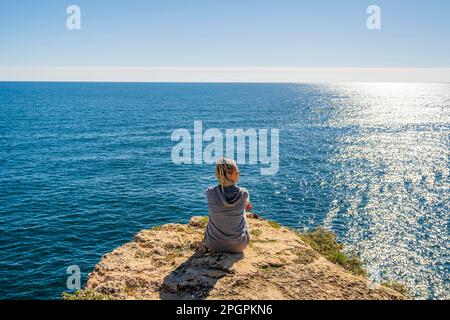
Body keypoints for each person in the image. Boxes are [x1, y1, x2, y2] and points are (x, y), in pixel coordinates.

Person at [204, 157, 253, 254]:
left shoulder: (209, 192)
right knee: (242, 211)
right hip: (239, 246)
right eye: (237, 172)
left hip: (214, 245)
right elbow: (248, 207)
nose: (239, 174)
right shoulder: (243, 193)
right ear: (228, 175)